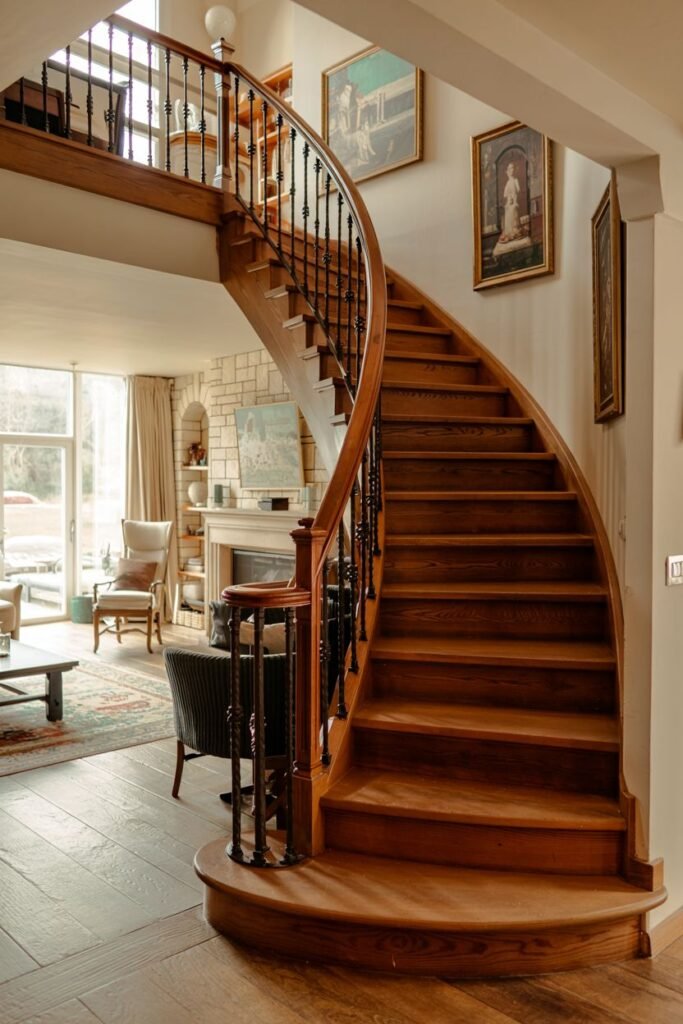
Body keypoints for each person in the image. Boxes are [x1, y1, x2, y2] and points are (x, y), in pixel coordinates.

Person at [500, 161, 524, 242]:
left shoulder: (515, 180)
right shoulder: (507, 183)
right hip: (509, 202)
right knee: (507, 209)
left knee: (513, 208)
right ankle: (509, 233)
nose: (512, 170)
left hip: (515, 202)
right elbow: (506, 195)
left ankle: (515, 232)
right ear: (507, 171)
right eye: (510, 168)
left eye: (513, 168)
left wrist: (514, 201)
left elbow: (518, 191)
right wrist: (508, 201)